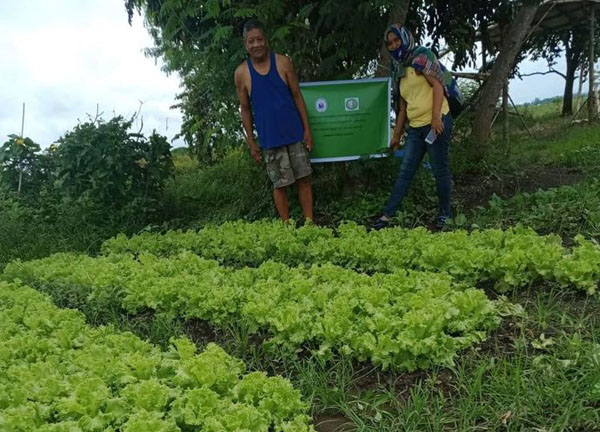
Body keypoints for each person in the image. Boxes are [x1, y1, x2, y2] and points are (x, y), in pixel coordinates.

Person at [374, 24, 455, 231]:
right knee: (405, 171)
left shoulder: (421, 57)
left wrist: (436, 118)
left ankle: (445, 215)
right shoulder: (398, 69)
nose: (394, 46)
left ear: (405, 38)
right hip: (416, 128)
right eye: (390, 43)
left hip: (436, 122)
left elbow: (438, 85)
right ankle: (388, 215)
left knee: (439, 171)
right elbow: (402, 108)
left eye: (396, 40)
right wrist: (396, 135)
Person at [234, 19, 314, 222]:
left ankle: (309, 223)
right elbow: (245, 109)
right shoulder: (242, 73)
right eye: (251, 41)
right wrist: (251, 142)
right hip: (269, 139)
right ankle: (286, 226)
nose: (256, 45)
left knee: (304, 179)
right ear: (246, 44)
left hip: (294, 134)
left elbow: (297, 95)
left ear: (266, 40)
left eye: (259, 39)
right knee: (280, 185)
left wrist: (307, 130)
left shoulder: (282, 62)